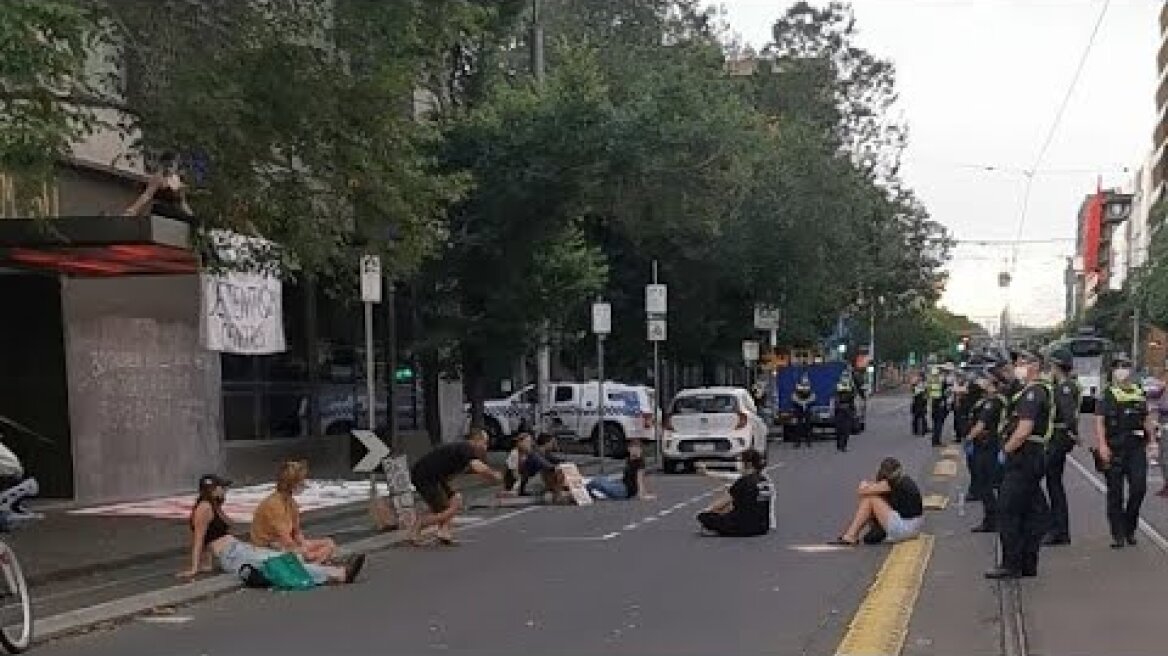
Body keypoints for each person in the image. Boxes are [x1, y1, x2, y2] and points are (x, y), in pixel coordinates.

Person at [180, 474, 364, 585]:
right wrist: (195, 568)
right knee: (279, 564)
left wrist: (208, 564)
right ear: (212, 489)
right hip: (232, 554)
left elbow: (210, 537)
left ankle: (334, 571)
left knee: (282, 560)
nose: (225, 491)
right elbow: (199, 539)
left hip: (237, 550)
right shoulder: (204, 508)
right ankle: (339, 574)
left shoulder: (212, 506)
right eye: (222, 488)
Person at [986, 349, 1053, 580]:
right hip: (1032, 457)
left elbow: (1023, 430)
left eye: (1023, 362)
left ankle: (1011, 564)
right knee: (1032, 511)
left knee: (1008, 510)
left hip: (1024, 457)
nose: (1019, 365)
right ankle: (1027, 562)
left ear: (1035, 365)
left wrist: (1005, 450)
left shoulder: (1033, 393)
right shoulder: (1028, 390)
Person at [1095, 353, 1156, 549]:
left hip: (1136, 446)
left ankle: (1130, 526)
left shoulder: (1138, 392)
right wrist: (1102, 445)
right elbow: (1099, 422)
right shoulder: (1107, 394)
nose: (1122, 370)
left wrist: (1153, 441)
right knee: (1115, 493)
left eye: (1125, 366)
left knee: (1139, 488)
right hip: (1114, 447)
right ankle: (1118, 534)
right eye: (1118, 366)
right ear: (1112, 371)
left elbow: (1146, 418)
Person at [408, 430, 502, 546]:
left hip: (436, 477)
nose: (486, 447)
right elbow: (478, 467)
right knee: (445, 510)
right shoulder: (466, 448)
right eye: (485, 443)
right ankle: (418, 526)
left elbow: (460, 471)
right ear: (476, 440)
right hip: (425, 477)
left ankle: (444, 532)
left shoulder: (462, 450)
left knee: (455, 499)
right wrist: (494, 474)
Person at [250, 460, 338, 564]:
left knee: (329, 543)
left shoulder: (291, 503)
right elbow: (285, 539)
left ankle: (314, 563)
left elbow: (296, 532)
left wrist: (303, 544)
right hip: (268, 549)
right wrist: (303, 550)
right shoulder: (273, 505)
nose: (304, 484)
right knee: (306, 554)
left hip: (286, 546)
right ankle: (314, 565)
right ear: (291, 484)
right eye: (301, 482)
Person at [829, 457, 924, 546]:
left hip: (906, 528)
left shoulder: (890, 483)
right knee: (871, 497)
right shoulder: (901, 481)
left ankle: (851, 535)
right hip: (912, 527)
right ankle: (852, 534)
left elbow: (862, 491)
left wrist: (863, 484)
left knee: (871, 499)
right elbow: (875, 488)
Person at [1043, 347, 1081, 546]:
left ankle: (1057, 528)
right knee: (1053, 482)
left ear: (1056, 365)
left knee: (1052, 482)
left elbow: (1067, 415)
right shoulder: (1067, 385)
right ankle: (1058, 529)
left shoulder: (1064, 387)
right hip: (1060, 437)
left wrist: (1073, 433)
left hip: (1058, 437)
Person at [966, 362, 1009, 533]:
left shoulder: (993, 402)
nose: (981, 381)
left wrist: (969, 438)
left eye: (984, 378)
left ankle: (993, 520)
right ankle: (993, 519)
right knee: (989, 484)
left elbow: (981, 424)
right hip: (987, 445)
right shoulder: (989, 399)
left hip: (988, 446)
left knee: (986, 485)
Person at [695, 448, 774, 537]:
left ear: (748, 464)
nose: (737, 464)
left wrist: (707, 511)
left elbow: (722, 503)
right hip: (762, 527)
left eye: (740, 461)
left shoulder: (743, 481)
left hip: (742, 526)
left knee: (703, 517)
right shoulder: (764, 480)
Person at [124, 151, 196, 224]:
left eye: (175, 164)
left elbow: (182, 202)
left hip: (172, 210)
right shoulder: (159, 177)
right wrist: (132, 210)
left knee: (192, 220)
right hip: (160, 208)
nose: (173, 166)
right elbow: (147, 195)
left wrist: (192, 215)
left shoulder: (176, 179)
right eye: (170, 164)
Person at [586, 439, 653, 500]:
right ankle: (588, 491)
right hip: (622, 485)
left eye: (638, 449)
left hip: (625, 491)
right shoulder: (629, 459)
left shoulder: (640, 463)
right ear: (629, 449)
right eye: (633, 448)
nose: (635, 451)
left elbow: (640, 480)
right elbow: (626, 476)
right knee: (601, 479)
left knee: (598, 483)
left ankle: (585, 491)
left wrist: (642, 494)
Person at [521, 434, 568, 502]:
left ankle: (559, 492)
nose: (554, 445)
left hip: (538, 481)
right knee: (552, 472)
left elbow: (557, 460)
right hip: (530, 483)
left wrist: (567, 464)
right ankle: (558, 493)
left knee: (559, 470)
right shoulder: (535, 454)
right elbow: (548, 466)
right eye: (552, 442)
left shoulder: (545, 453)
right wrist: (559, 467)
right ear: (547, 443)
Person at [834, 377, 858, 452]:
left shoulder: (851, 390)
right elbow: (836, 401)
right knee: (839, 430)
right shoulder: (838, 392)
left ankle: (844, 446)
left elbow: (854, 398)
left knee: (846, 430)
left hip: (848, 412)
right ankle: (839, 445)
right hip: (840, 412)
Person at [791, 375, 816, 448]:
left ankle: (808, 442)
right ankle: (798, 442)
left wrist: (805, 403)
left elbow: (813, 397)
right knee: (799, 426)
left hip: (806, 408)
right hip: (800, 409)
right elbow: (793, 397)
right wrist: (802, 403)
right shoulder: (798, 387)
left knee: (807, 426)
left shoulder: (809, 387)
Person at [928, 369, 948, 446]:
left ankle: (934, 440)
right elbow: (945, 392)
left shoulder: (931, 382)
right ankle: (937, 441)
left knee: (935, 422)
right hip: (940, 403)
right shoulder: (941, 381)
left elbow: (928, 392)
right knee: (939, 423)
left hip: (933, 403)